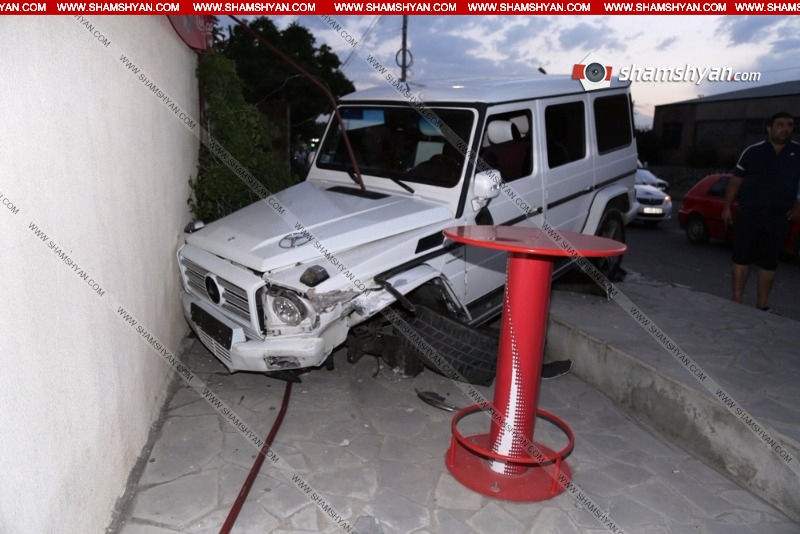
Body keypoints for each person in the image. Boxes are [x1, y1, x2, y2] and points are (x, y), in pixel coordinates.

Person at [722, 112, 800, 312]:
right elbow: (735, 181)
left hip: (779, 217)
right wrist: (727, 207)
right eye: (780, 124)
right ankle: (736, 301)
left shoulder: (797, 152)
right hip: (750, 213)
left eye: (789, 125)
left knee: (769, 261)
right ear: (769, 129)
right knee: (741, 257)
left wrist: (798, 205)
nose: (785, 129)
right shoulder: (752, 151)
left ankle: (762, 305)